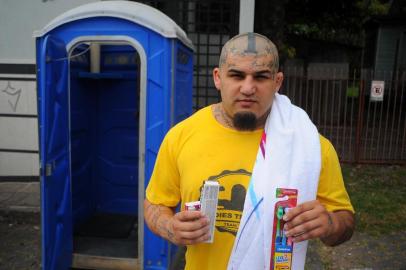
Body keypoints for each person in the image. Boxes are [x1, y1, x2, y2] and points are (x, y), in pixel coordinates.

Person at [144, 32, 355, 270]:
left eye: (261, 77)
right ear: (218, 78)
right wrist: (171, 227)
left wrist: (329, 224)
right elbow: (155, 204)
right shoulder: (181, 136)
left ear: (277, 82)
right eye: (236, 75)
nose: (247, 88)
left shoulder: (310, 146)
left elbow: (345, 220)